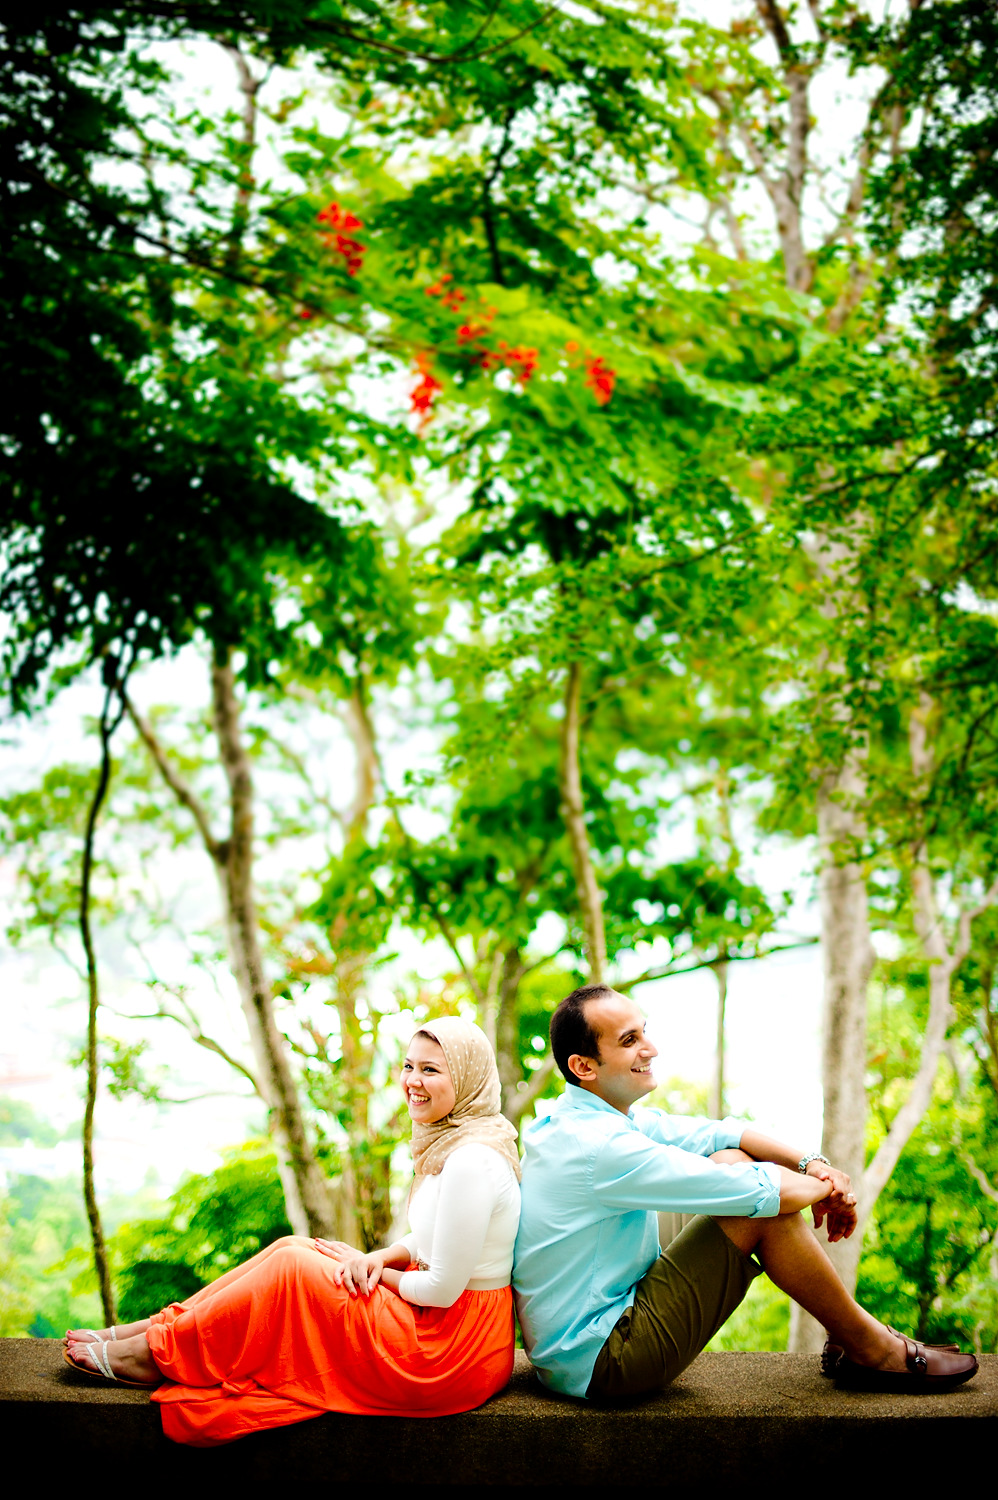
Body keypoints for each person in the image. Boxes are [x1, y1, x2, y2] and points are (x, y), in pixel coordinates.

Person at [64, 1017, 521, 1445]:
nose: (412, 1081)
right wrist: (378, 1257)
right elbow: (434, 1236)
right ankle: (159, 1329)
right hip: (441, 1324)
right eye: (408, 1066)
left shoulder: (470, 1161)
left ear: (468, 1079)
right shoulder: (456, 1140)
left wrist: (373, 1272)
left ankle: (157, 1353)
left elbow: (441, 1289)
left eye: (430, 1070)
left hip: (451, 1349)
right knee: (293, 1247)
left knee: (293, 1267)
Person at [512, 983, 978, 1401]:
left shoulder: (589, 1116)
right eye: (629, 1040)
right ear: (583, 1066)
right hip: (601, 1359)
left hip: (581, 1339)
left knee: (731, 1159)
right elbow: (756, 1194)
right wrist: (826, 1191)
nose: (651, 1049)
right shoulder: (600, 1147)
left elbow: (722, 1133)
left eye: (644, 1032)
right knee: (755, 1208)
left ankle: (853, 1336)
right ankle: (870, 1346)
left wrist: (814, 1166)